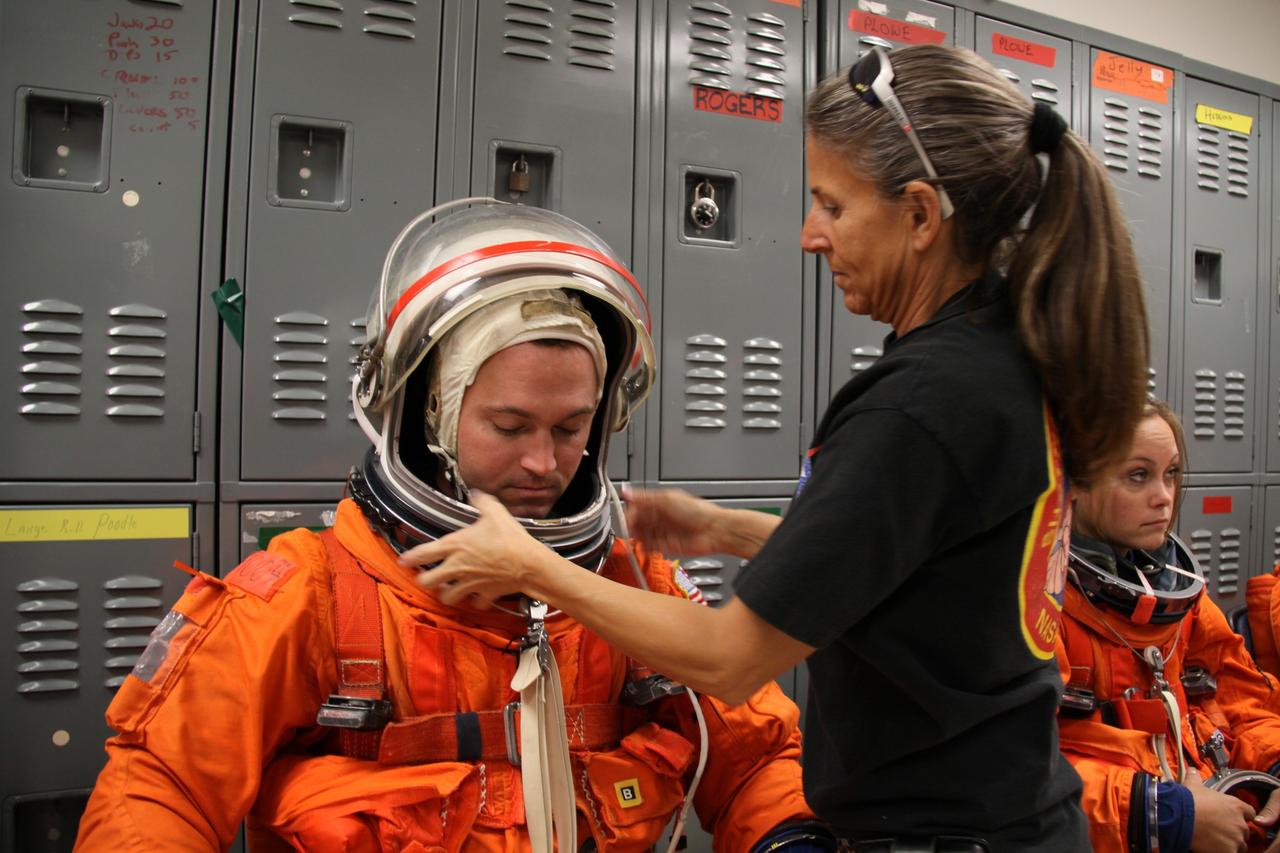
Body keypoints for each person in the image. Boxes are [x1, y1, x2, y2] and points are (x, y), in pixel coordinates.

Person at [404, 45, 1152, 850]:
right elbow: (910, 567)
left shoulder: (924, 405)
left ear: (920, 216)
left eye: (832, 205)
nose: (808, 235)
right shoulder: (1004, 355)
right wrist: (724, 527)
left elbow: (730, 660)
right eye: (510, 426)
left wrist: (529, 565)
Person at [73, 201, 824, 852]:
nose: (543, 460)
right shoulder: (309, 597)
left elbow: (757, 757)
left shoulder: (627, 587)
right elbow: (158, 786)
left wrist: (786, 834)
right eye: (508, 423)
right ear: (429, 411)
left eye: (571, 427)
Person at [1056, 398, 1280, 852]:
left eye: (1172, 473)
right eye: (1138, 475)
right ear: (1077, 483)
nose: (1164, 496)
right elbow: (1014, 771)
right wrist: (1162, 813)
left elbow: (1243, 699)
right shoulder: (1042, 610)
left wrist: (1276, 769)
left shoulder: (1183, 600)